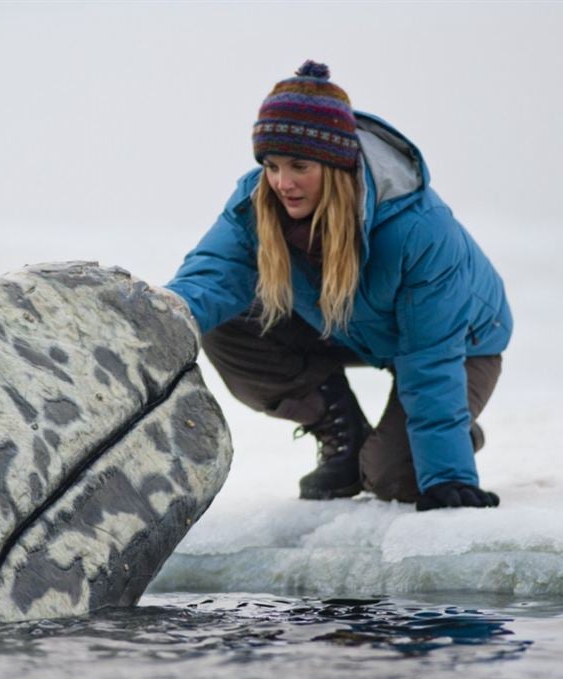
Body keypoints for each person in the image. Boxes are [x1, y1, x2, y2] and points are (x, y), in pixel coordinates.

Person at [165, 60, 512, 511]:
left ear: (336, 166)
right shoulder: (258, 201)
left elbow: (431, 359)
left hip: (461, 343)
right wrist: (158, 323)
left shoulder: (418, 229)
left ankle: (448, 436)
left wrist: (447, 474)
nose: (281, 183)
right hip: (351, 324)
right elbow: (212, 275)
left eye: (299, 166)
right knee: (227, 321)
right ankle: (341, 434)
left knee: (393, 477)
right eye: (270, 165)